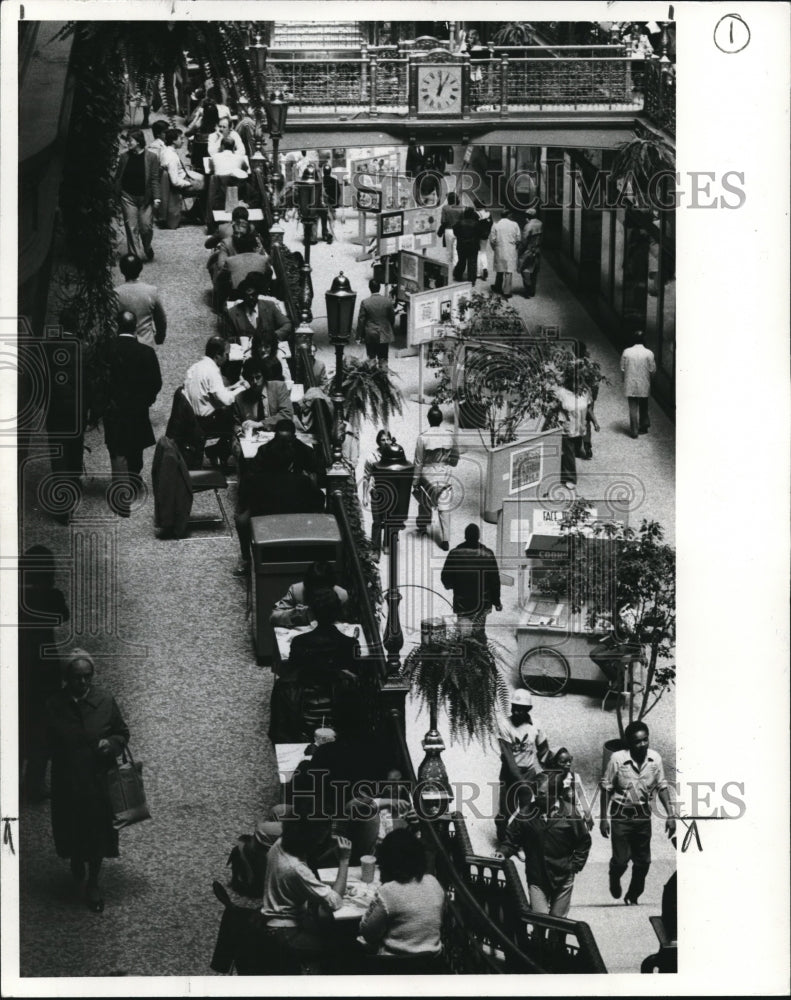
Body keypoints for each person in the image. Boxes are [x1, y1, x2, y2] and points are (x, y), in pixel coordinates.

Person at [46, 649, 130, 913]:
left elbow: (121, 732)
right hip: (68, 781)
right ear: (67, 678)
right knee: (72, 828)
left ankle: (93, 881)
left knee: (97, 833)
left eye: (87, 677)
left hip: (98, 783)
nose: (83, 683)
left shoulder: (104, 700)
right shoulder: (54, 705)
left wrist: (112, 744)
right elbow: (43, 742)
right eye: (77, 678)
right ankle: (76, 860)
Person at [259, 816, 351, 973]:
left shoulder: (282, 842)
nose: (322, 842)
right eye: (320, 839)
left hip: (273, 915)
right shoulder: (297, 868)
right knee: (341, 948)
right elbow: (335, 902)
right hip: (285, 932)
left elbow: (302, 882)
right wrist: (344, 860)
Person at [600, 720, 676, 905]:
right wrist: (604, 818)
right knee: (621, 860)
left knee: (643, 862)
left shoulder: (655, 759)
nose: (642, 745)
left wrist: (670, 815)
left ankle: (633, 895)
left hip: (642, 813)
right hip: (621, 813)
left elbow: (661, 786)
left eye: (645, 740)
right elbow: (606, 788)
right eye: (637, 741)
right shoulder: (617, 759)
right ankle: (614, 876)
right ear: (629, 743)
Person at [496, 771, 591, 919]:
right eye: (536, 793)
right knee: (539, 919)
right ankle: (538, 941)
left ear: (555, 794)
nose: (537, 796)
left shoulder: (570, 813)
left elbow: (583, 841)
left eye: (542, 793)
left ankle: (556, 942)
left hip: (563, 876)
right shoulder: (526, 813)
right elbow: (512, 838)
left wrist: (574, 865)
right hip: (537, 877)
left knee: (558, 921)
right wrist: (503, 851)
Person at [19, 546, 69, 800]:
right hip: (45, 669)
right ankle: (34, 784)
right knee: (42, 729)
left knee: (18, 725)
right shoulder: (52, 595)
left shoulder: (14, 595)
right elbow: (63, 618)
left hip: (18, 667)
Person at [358, 828, 445, 971]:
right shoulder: (434, 882)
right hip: (431, 963)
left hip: (394, 966)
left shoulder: (388, 891)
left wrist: (373, 905)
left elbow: (368, 934)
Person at [103, 310, 162, 517]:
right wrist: (146, 400)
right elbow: (156, 382)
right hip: (137, 410)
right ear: (135, 326)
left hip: (114, 409)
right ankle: (133, 480)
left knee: (117, 449)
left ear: (117, 326)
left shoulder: (106, 350)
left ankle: (121, 495)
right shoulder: (146, 352)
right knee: (135, 447)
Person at [234, 448, 325, 575]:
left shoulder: (254, 480)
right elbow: (319, 500)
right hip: (296, 522)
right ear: (290, 465)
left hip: (264, 522)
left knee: (240, 520)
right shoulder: (302, 480)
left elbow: (244, 501)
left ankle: (246, 559)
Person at [44, 307, 88, 524]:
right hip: (77, 411)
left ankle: (62, 505)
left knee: (58, 456)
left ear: (61, 324)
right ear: (77, 325)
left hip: (56, 410)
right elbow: (90, 382)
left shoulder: (48, 347)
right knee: (73, 453)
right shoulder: (84, 349)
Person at [495, 688, 550, 841]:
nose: (516, 712)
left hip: (528, 772)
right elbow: (509, 759)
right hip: (510, 773)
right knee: (507, 810)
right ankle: (502, 838)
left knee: (526, 810)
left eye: (521, 709)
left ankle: (519, 841)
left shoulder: (536, 725)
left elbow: (543, 750)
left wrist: (550, 771)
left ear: (528, 709)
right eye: (514, 708)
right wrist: (522, 782)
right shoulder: (505, 725)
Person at [183, 335, 238, 468]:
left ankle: (215, 452)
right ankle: (219, 454)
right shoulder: (212, 371)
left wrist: (232, 387)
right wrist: (240, 389)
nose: (227, 357)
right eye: (226, 354)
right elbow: (226, 400)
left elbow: (211, 392)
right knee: (233, 420)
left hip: (192, 417)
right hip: (207, 420)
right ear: (217, 355)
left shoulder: (195, 367)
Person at [440, 522, 502, 639]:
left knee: (463, 635)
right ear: (478, 536)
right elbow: (495, 581)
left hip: (462, 602)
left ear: (465, 536)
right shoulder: (488, 554)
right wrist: (497, 602)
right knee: (478, 634)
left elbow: (445, 577)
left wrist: (453, 586)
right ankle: (480, 655)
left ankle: (464, 654)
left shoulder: (454, 553)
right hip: (482, 604)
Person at [412, 404, 459, 550]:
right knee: (444, 507)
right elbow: (455, 459)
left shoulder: (423, 437)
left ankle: (423, 527)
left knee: (424, 500)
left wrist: (415, 480)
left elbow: (418, 461)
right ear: (441, 419)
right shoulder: (449, 435)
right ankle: (445, 539)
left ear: (428, 419)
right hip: (444, 473)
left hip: (427, 474)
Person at [545, 365, 599, 489]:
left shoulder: (585, 392)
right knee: (568, 453)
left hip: (580, 427)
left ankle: (562, 470)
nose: (578, 385)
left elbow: (589, 407)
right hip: (566, 427)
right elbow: (552, 409)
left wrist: (595, 422)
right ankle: (570, 479)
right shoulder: (561, 393)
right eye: (575, 382)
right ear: (568, 382)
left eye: (580, 382)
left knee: (573, 451)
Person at [288, 589, 360, 680]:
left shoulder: (299, 642)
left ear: (312, 612)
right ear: (338, 612)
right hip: (338, 693)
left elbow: (292, 676)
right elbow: (354, 678)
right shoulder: (351, 644)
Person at [114, 129, 161, 261]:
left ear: (139, 142)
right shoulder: (124, 157)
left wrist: (157, 197)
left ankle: (147, 246)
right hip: (127, 197)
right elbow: (118, 177)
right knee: (131, 227)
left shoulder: (151, 157)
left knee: (146, 227)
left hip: (145, 198)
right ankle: (136, 257)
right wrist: (116, 194)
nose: (128, 143)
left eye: (130, 140)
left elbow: (154, 179)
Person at [270, 560, 349, 628]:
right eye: (316, 591)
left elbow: (347, 624)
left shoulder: (341, 595)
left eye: (324, 592)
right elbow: (273, 617)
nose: (319, 598)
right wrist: (292, 614)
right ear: (308, 586)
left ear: (331, 586)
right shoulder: (296, 591)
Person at [233, 356, 294, 444]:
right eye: (251, 378)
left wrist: (260, 424)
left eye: (258, 377)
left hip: (279, 440)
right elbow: (236, 423)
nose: (254, 382)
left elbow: (287, 414)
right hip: (251, 441)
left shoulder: (279, 387)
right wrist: (240, 430)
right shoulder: (239, 398)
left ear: (264, 375)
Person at [114, 253, 167, 348]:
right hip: (146, 344)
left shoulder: (116, 294)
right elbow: (161, 319)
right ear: (140, 269)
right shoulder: (151, 291)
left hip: (123, 345)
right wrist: (160, 337)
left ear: (122, 270)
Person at [225, 277, 290, 347]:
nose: (251, 298)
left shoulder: (270, 306)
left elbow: (287, 324)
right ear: (242, 297)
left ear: (258, 294)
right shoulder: (232, 313)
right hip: (246, 350)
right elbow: (227, 337)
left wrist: (274, 336)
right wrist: (241, 340)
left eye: (254, 295)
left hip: (269, 348)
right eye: (247, 296)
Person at [253, 419, 319, 482]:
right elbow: (254, 475)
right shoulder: (264, 451)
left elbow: (316, 473)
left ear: (294, 437)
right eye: (280, 440)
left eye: (287, 441)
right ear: (275, 437)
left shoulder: (305, 451)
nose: (283, 444)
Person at [362, 429, 394, 557]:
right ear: (378, 442)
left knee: (388, 520)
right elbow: (366, 477)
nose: (386, 442)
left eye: (388, 439)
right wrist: (365, 496)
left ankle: (387, 544)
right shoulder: (372, 457)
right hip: (376, 492)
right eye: (383, 440)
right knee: (377, 521)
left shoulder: (395, 455)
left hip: (391, 492)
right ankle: (375, 549)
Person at [547, 747, 594, 831]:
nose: (568, 764)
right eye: (564, 762)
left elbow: (582, 797)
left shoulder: (574, 777)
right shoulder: (547, 780)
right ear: (554, 763)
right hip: (554, 822)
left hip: (572, 819)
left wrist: (587, 814)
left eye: (569, 760)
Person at [620, 330, 656, 438]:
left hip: (630, 382)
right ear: (643, 340)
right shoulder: (649, 353)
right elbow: (652, 369)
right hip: (644, 382)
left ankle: (634, 430)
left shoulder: (626, 352)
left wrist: (624, 380)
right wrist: (651, 380)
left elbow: (622, 368)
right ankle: (644, 426)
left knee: (633, 407)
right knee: (644, 405)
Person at [356, 279, 395, 369]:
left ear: (370, 288)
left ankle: (373, 377)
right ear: (379, 287)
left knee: (371, 358)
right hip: (384, 334)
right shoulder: (387, 301)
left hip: (370, 334)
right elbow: (391, 318)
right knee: (383, 358)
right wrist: (388, 328)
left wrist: (359, 336)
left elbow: (361, 320)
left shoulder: (365, 302)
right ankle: (384, 377)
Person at [161, 128, 205, 197]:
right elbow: (175, 181)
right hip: (183, 187)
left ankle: (197, 207)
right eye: (181, 139)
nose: (183, 141)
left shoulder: (166, 151)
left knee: (205, 180)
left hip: (183, 177)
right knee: (209, 187)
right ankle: (199, 207)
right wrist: (189, 183)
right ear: (173, 141)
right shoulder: (171, 157)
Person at [489, 208, 521, 297]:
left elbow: (492, 240)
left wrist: (494, 248)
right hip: (511, 249)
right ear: (509, 215)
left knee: (499, 269)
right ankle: (507, 291)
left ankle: (497, 286)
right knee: (508, 271)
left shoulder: (496, 225)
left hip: (499, 249)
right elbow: (518, 238)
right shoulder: (515, 224)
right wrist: (515, 247)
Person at [518, 207, 544, 298]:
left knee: (524, 268)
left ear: (528, 216)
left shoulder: (528, 226)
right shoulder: (540, 223)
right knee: (535, 271)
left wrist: (520, 251)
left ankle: (527, 287)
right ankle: (533, 290)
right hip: (537, 249)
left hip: (528, 250)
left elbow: (524, 240)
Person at [452, 206, 480, 285]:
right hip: (473, 246)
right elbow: (480, 233)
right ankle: (471, 280)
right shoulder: (476, 224)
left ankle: (458, 275)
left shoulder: (460, 223)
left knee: (461, 261)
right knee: (472, 262)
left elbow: (455, 232)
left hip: (461, 245)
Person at [438, 191, 463, 269]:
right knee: (456, 251)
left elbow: (443, 221)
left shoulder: (445, 208)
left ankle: (449, 269)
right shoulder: (460, 208)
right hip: (458, 231)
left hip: (448, 230)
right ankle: (456, 268)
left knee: (449, 251)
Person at [472, 196, 493, 280]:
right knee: (483, 252)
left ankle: (477, 273)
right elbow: (491, 224)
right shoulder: (489, 214)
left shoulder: (475, 214)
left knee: (477, 253)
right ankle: (485, 268)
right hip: (485, 236)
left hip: (477, 236)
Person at [321, 163, 340, 242]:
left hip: (321, 204)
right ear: (330, 171)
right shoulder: (335, 181)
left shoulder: (320, 181)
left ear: (323, 171)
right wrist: (335, 202)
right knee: (331, 218)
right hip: (331, 203)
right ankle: (330, 233)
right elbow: (338, 192)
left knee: (323, 218)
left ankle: (325, 234)